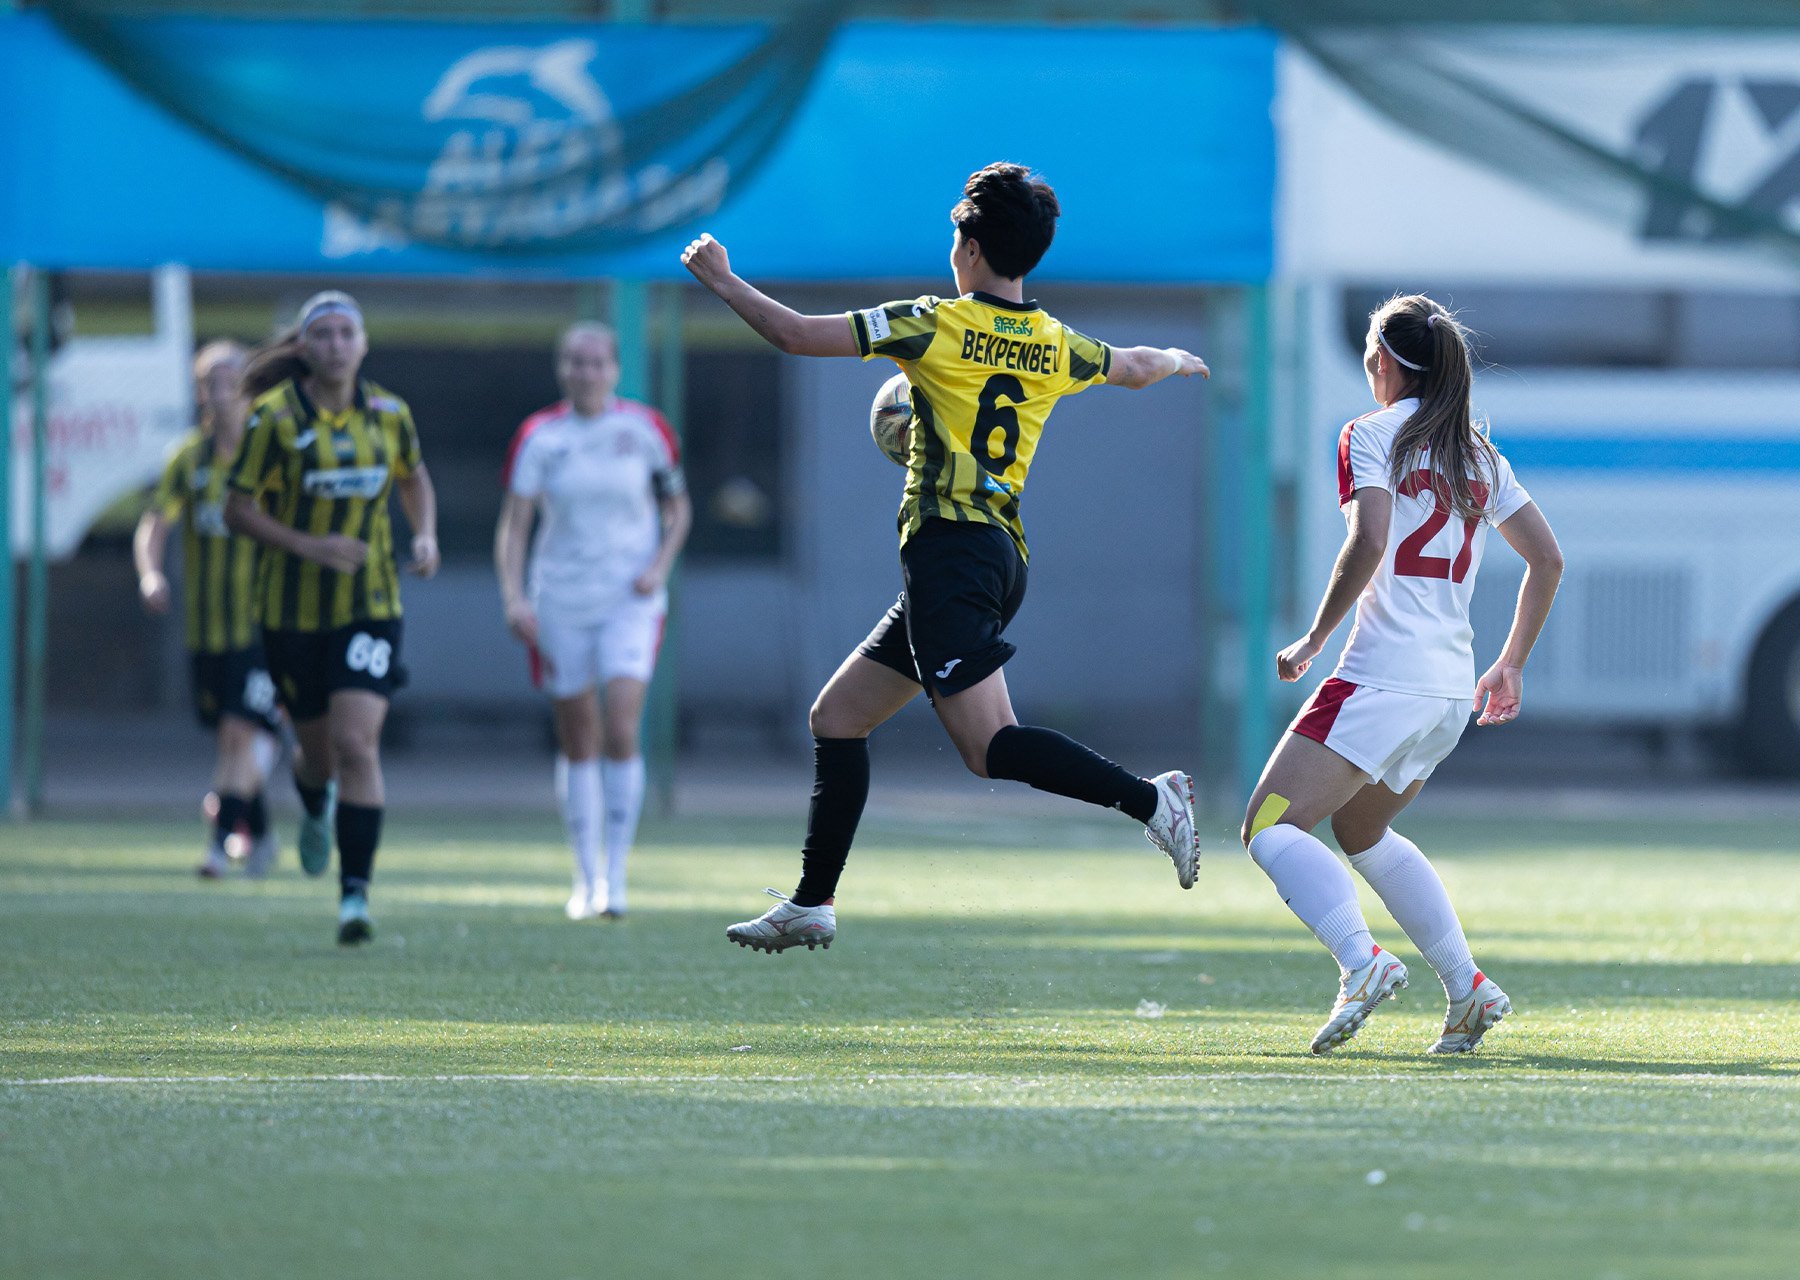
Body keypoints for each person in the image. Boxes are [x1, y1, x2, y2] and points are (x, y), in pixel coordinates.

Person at [680, 162, 1210, 955]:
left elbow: (793, 333)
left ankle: (1151, 800)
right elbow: (1133, 366)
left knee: (989, 746)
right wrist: (1174, 355)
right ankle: (812, 900)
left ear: (966, 242)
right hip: (994, 558)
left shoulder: (932, 324)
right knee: (839, 717)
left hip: (952, 555)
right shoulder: (1052, 341)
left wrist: (724, 282)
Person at [1239, 293, 1564, 1055]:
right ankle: (1467, 987)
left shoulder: (1370, 432)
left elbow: (1369, 540)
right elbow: (1547, 559)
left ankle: (1361, 962)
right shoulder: (1480, 454)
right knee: (1362, 827)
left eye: (1367, 355)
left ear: (1383, 362)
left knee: (1265, 825)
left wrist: (1315, 635)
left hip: (1383, 676)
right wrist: (1509, 662)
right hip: (1448, 688)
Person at [225, 292, 439, 945]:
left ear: (364, 344)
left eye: (348, 333)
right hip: (291, 611)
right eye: (324, 334)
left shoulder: (389, 413)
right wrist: (307, 544)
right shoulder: (274, 419)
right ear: (305, 346)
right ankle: (312, 798)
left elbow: (414, 475)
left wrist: (425, 533)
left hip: (370, 606)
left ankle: (355, 896)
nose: (337, 345)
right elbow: (238, 508)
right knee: (317, 756)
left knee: (356, 744)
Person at [495, 322, 692, 921]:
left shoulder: (645, 429)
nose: (586, 372)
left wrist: (658, 568)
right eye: (575, 362)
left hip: (630, 600)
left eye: (597, 361)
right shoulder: (541, 437)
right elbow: (515, 525)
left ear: (614, 368)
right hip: (561, 600)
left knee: (622, 723)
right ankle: (583, 877)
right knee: (578, 736)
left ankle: (617, 878)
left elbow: (677, 507)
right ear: (563, 369)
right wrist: (513, 597)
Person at [135, 340, 284, 878]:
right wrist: (151, 573)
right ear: (200, 392)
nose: (222, 391)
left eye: (232, 379)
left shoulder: (271, 457)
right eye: (211, 381)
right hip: (206, 630)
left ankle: (219, 846)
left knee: (237, 736)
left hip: (262, 626)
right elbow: (156, 521)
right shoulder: (188, 459)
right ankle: (260, 833)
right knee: (233, 739)